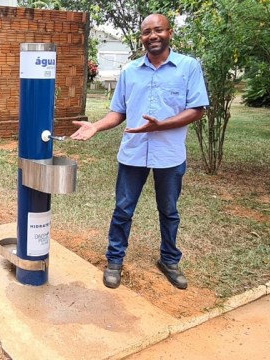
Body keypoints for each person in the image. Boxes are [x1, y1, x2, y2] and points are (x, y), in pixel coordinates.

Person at [70, 13, 209, 290]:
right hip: (133, 153)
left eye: (158, 30)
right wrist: (96, 126)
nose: (152, 36)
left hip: (169, 155)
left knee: (169, 211)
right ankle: (114, 260)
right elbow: (118, 112)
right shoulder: (130, 71)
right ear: (141, 38)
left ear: (170, 33)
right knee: (123, 209)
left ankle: (169, 260)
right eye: (146, 32)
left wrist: (162, 126)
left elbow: (197, 109)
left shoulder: (188, 67)